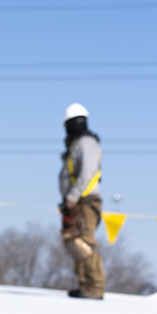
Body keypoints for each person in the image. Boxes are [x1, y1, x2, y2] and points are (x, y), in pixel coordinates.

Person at [58, 103, 106, 299]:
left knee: (84, 242)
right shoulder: (77, 144)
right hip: (76, 202)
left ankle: (94, 287)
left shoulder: (86, 142)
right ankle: (85, 284)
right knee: (73, 242)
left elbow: (87, 172)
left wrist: (72, 196)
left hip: (85, 201)